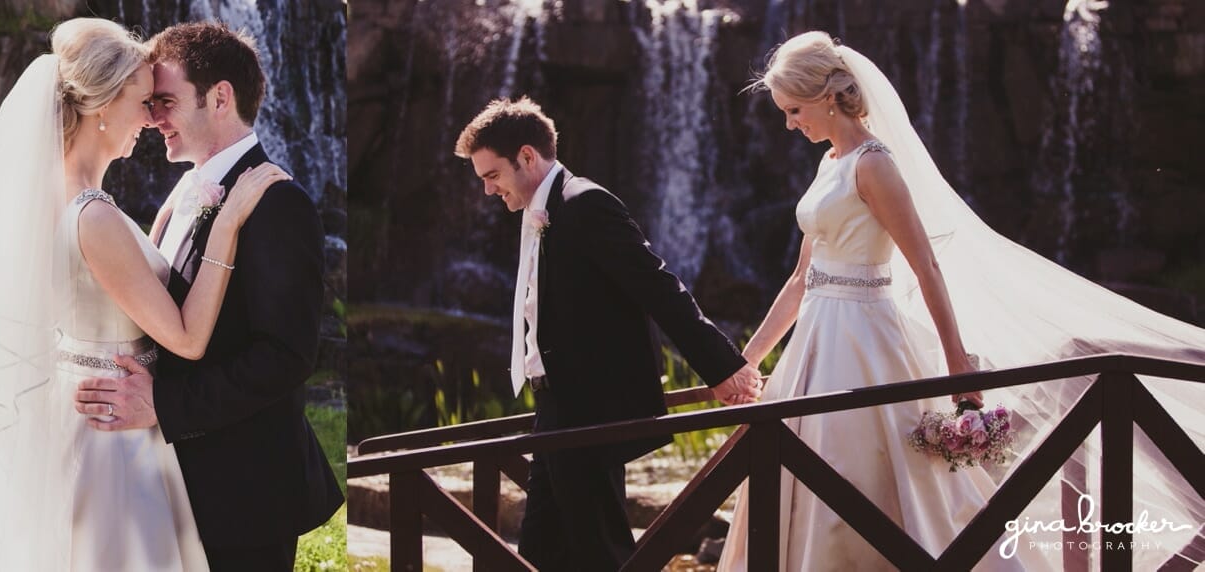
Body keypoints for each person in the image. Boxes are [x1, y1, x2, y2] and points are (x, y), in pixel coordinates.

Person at [718, 31, 1203, 570]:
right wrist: (750, 357)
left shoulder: (874, 163)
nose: (789, 123)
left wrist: (957, 367)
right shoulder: (828, 162)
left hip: (866, 340)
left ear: (826, 97)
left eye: (793, 109)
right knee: (794, 471)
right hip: (814, 340)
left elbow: (925, 266)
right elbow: (802, 276)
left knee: (870, 477)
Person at [0, 18, 287, 570]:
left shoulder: (64, 196)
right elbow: (185, 339)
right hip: (112, 440)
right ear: (103, 105)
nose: (152, 118)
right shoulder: (94, 215)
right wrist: (228, 221)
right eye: (143, 101)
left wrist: (170, 217)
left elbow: (112, 281)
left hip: (87, 409)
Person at [70, 22, 345, 570]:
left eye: (165, 101)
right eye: (148, 103)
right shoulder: (183, 191)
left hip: (244, 493)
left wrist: (164, 406)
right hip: (164, 481)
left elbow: (285, 357)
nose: (152, 119)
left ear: (220, 97)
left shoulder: (277, 202)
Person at [454, 97, 763, 570]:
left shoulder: (585, 204)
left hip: (589, 411)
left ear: (528, 157)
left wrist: (724, 367)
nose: (488, 191)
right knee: (540, 551)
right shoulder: (547, 211)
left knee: (601, 553)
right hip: (556, 408)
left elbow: (659, 288)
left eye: (492, 175)